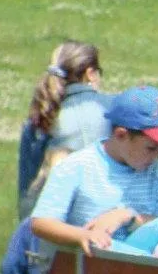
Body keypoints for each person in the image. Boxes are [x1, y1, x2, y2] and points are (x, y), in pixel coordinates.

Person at [29, 85, 158, 255]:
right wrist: (83, 235)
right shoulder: (76, 167)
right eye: (151, 148)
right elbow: (41, 222)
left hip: (145, 266)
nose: (157, 156)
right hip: (89, 266)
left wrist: (128, 216)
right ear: (121, 135)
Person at [17, 41, 111, 217]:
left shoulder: (37, 121)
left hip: (48, 223)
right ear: (90, 74)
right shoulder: (112, 109)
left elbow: (27, 188)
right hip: (102, 222)